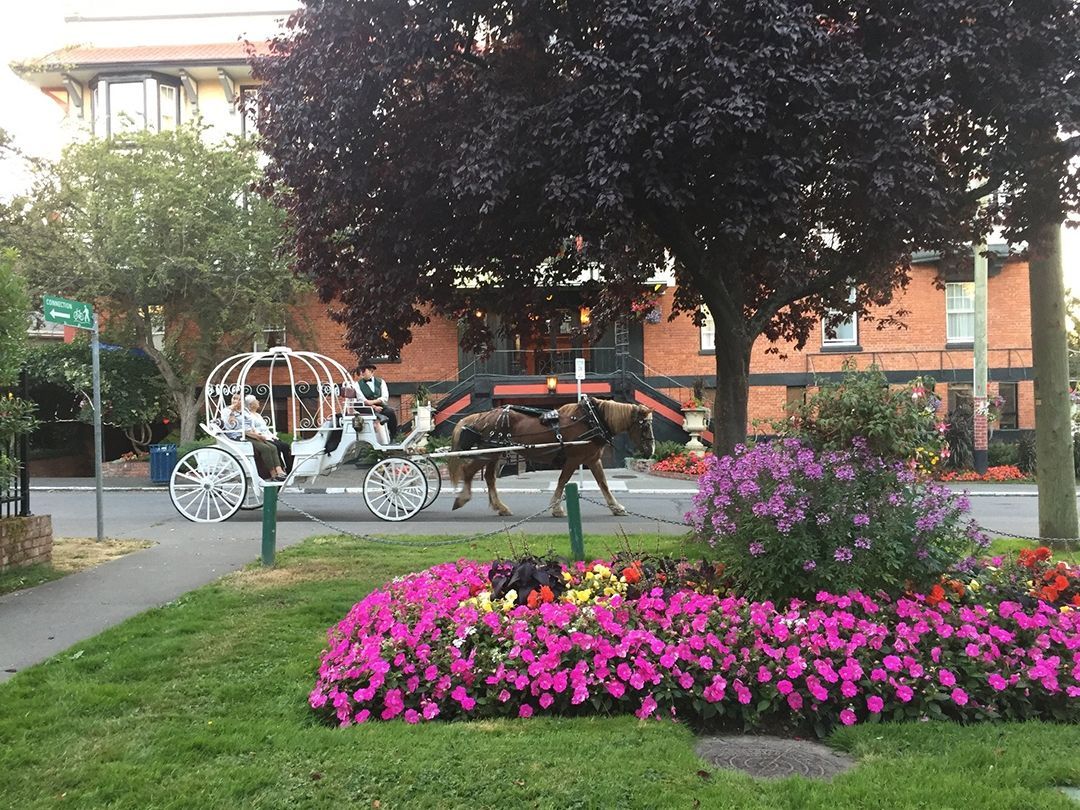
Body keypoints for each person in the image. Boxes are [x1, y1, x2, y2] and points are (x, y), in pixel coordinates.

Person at [222, 393, 286, 481]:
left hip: (251, 433)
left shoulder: (244, 411)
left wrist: (257, 434)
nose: (236, 401)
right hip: (239, 435)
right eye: (234, 398)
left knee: (273, 447)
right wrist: (232, 412)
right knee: (265, 448)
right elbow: (234, 427)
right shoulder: (227, 411)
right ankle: (273, 474)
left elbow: (251, 424)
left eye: (239, 399)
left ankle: (279, 471)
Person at [243, 395, 294, 477]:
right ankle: (280, 469)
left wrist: (273, 436)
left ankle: (289, 468)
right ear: (251, 404)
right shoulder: (249, 416)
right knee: (276, 446)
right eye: (256, 401)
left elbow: (265, 428)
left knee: (285, 446)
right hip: (261, 436)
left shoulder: (258, 415)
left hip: (268, 435)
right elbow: (253, 429)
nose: (258, 402)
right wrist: (264, 437)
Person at [354, 361, 398, 440]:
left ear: (372, 371)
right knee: (363, 408)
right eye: (361, 370)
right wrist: (374, 407)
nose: (362, 373)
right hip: (367, 407)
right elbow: (362, 399)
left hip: (380, 406)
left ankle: (394, 436)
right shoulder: (357, 384)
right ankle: (380, 416)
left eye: (364, 370)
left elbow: (385, 397)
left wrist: (374, 402)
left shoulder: (381, 382)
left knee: (390, 412)